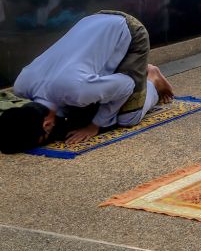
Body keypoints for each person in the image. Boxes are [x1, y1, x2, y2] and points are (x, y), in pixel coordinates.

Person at [0, 11, 173, 153]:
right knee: (81, 114)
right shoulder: (21, 86)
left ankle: (152, 78)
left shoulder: (77, 91)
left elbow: (126, 85)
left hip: (129, 30)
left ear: (46, 124)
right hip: (92, 21)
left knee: (128, 118)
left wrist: (95, 126)